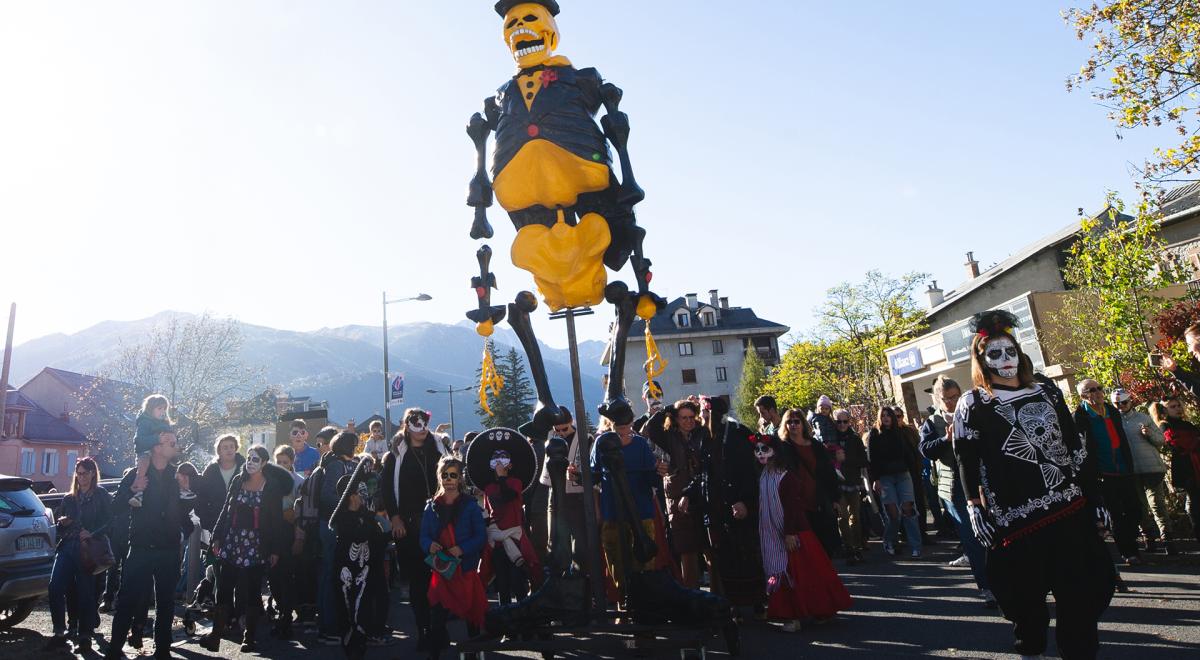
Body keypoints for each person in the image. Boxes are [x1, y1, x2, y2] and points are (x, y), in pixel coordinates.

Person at [953, 310, 1114, 660]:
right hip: (1017, 519)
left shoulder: (1046, 391)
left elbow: (1074, 448)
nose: (1005, 359)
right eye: (994, 353)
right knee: (1026, 602)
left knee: (1081, 595)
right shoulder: (973, 403)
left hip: (1068, 508)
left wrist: (1095, 496)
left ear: (1019, 352)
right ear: (982, 358)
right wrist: (973, 506)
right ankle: (1032, 649)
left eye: (1009, 351)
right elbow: (966, 458)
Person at [104, 427, 195, 660]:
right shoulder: (136, 474)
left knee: (165, 603)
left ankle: (162, 651)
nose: (176, 447)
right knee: (127, 601)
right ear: (157, 447)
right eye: (171, 443)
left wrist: (184, 528)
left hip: (169, 549)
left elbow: (186, 511)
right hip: (141, 548)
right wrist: (134, 489)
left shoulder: (177, 476)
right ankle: (114, 651)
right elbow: (115, 508)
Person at [753, 433, 851, 633]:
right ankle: (791, 614)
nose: (761, 454)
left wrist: (790, 533)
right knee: (782, 572)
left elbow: (792, 507)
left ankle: (813, 611)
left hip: (794, 532)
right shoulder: (764, 475)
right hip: (772, 534)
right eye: (757, 450)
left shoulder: (786, 476)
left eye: (765, 449)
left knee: (803, 574)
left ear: (775, 452)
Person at [199, 445, 289, 652]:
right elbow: (225, 510)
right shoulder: (238, 480)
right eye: (249, 458)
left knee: (252, 590)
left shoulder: (271, 486)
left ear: (264, 463)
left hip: (257, 544)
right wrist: (217, 537)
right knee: (224, 588)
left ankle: (249, 637)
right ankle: (216, 635)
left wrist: (275, 549)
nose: (250, 462)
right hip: (233, 541)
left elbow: (276, 520)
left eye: (255, 459)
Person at [919, 376, 995, 608]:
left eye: (954, 397)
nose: (951, 402)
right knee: (972, 538)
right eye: (946, 399)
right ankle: (987, 587)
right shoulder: (932, 422)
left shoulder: (973, 413)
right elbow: (925, 450)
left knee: (994, 533)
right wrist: (945, 439)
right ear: (937, 399)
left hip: (981, 482)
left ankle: (1004, 581)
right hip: (954, 489)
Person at [381, 408, 448, 653]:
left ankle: (440, 627)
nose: (420, 426)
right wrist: (395, 518)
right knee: (418, 582)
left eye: (424, 422)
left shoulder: (440, 449)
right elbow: (386, 489)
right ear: (406, 425)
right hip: (409, 527)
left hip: (440, 524)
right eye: (414, 422)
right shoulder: (395, 454)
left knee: (442, 575)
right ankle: (424, 630)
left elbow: (455, 479)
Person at [590, 413, 669, 607]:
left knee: (643, 562)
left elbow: (652, 480)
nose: (623, 430)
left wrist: (659, 471)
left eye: (626, 426)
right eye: (619, 426)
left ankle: (644, 607)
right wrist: (576, 476)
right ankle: (623, 604)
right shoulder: (601, 443)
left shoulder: (641, 445)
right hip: (612, 512)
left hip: (641, 511)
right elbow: (593, 477)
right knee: (616, 562)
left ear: (631, 424)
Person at [699, 396, 764, 617]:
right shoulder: (706, 437)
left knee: (747, 553)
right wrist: (690, 494)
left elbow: (748, 471)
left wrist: (742, 500)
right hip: (717, 507)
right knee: (726, 557)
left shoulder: (736, 433)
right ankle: (734, 603)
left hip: (739, 505)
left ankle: (757, 601)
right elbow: (704, 474)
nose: (701, 416)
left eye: (704, 412)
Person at [421, 454, 487, 660]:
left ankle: (473, 654)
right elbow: (423, 536)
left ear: (460, 478)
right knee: (437, 617)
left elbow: (481, 536)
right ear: (439, 477)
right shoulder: (431, 507)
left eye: (453, 475)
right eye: (445, 475)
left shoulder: (470, 505)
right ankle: (434, 655)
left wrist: (462, 548)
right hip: (442, 570)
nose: (448, 479)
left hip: (465, 569)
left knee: (471, 616)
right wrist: (429, 545)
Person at [46, 457, 112, 652]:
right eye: (78, 473)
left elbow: (110, 521)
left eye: (85, 473)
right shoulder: (69, 497)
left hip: (89, 548)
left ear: (93, 473)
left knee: (86, 592)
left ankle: (84, 635)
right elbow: (59, 523)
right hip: (67, 546)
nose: (81, 477)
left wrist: (93, 532)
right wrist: (62, 523)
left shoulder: (101, 495)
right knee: (55, 586)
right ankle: (60, 631)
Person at [642, 399, 710, 588]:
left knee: (709, 549)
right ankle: (691, 596)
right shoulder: (668, 436)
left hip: (702, 496)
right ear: (676, 419)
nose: (688, 421)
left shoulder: (702, 434)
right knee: (687, 551)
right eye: (683, 418)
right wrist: (670, 408)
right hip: (677, 497)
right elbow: (650, 427)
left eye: (691, 417)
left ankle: (717, 599)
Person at [1074, 379, 1141, 565]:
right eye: (1091, 390)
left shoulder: (1111, 411)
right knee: (1116, 514)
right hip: (1103, 473)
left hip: (1124, 469)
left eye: (1099, 388)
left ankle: (1131, 540)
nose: (1097, 392)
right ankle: (1129, 551)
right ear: (1083, 396)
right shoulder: (1080, 416)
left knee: (1135, 509)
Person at [330, 468, 389, 660]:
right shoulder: (342, 518)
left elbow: (382, 535)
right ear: (351, 495)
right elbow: (358, 535)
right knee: (346, 609)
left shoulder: (367, 515)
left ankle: (361, 644)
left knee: (363, 608)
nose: (364, 495)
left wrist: (378, 521)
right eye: (359, 491)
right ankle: (349, 646)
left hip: (365, 571)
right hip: (346, 571)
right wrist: (371, 519)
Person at [1112, 388, 1175, 554]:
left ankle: (1167, 538)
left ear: (1130, 401)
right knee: (1139, 507)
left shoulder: (1143, 418)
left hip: (1151, 468)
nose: (1121, 406)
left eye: (1124, 402)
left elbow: (1161, 440)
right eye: (1117, 403)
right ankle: (1149, 538)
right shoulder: (1112, 421)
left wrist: (1149, 434)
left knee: (1157, 504)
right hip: (1130, 470)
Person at [315, 431, 360, 645]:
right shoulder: (336, 466)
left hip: (328, 524)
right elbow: (327, 495)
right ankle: (329, 626)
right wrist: (348, 505)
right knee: (332, 575)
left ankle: (328, 623)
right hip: (332, 524)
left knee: (329, 574)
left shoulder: (331, 462)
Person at [778, 409, 842, 556]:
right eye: (789, 422)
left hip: (818, 499)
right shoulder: (783, 447)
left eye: (796, 421)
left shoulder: (815, 445)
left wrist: (835, 498)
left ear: (802, 423)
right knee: (806, 549)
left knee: (825, 546)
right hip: (798, 503)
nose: (793, 425)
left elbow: (828, 473)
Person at [483, 448, 542, 604]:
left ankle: (522, 613)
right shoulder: (488, 488)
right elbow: (489, 512)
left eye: (503, 460)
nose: (499, 464)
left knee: (517, 579)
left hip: (514, 537)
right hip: (497, 540)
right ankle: (505, 616)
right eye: (496, 460)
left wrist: (502, 478)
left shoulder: (516, 483)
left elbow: (510, 497)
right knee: (502, 582)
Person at [539, 409, 593, 571]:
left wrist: (577, 474)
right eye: (558, 430)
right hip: (555, 493)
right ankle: (557, 572)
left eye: (565, 429)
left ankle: (579, 574)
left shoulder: (586, 439)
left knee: (579, 540)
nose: (561, 433)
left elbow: (591, 469)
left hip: (576, 495)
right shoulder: (551, 436)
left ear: (572, 422)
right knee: (554, 537)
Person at [866, 407, 921, 557]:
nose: (886, 418)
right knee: (893, 513)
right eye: (883, 415)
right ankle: (889, 540)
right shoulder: (874, 434)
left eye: (888, 415)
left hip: (903, 474)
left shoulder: (901, 433)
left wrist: (915, 473)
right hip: (885, 477)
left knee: (908, 509)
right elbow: (872, 460)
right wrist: (875, 479)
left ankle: (915, 545)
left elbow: (909, 455)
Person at [1150, 397, 1200, 539]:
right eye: (1173, 406)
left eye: (1178, 405)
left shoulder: (1188, 424)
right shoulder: (1164, 425)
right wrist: (1194, 442)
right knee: (1194, 499)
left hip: (1195, 462)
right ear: (1164, 410)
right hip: (1185, 466)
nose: (1178, 408)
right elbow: (1175, 445)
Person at [826, 408, 868, 564]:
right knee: (842, 517)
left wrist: (846, 459)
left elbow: (863, 461)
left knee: (855, 516)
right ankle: (848, 547)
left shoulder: (854, 438)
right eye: (839, 421)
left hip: (853, 482)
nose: (842, 425)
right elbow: (826, 462)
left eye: (845, 421)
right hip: (837, 484)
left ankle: (857, 546)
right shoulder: (830, 440)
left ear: (849, 422)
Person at [128, 394, 173, 508]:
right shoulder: (144, 422)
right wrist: (157, 439)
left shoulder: (165, 424)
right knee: (145, 461)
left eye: (164, 409)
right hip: (145, 452)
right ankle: (139, 491)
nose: (162, 411)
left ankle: (180, 489)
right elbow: (139, 441)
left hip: (162, 455)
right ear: (150, 409)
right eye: (159, 408)